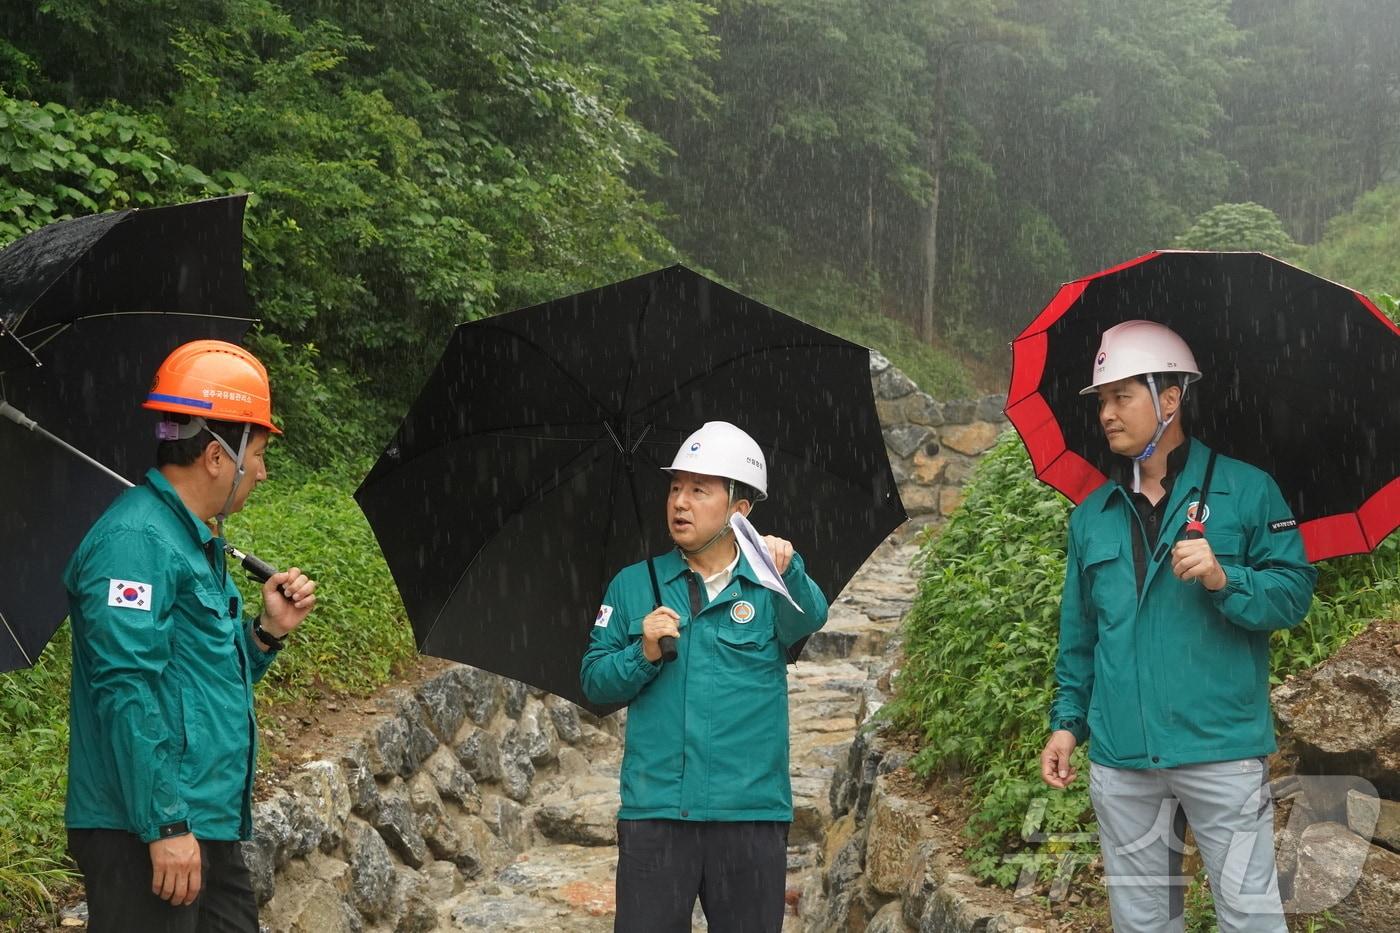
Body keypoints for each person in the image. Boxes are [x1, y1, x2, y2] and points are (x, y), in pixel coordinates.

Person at [1038, 320, 1316, 932]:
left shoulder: (1247, 491)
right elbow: (1080, 636)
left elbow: (1294, 595)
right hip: (1122, 757)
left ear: (1169, 399)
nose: (1107, 414)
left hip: (1220, 750)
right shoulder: (1092, 517)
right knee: (1143, 926)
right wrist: (1067, 723)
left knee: (1250, 920)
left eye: (1122, 397)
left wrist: (1227, 579)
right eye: (1102, 401)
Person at [64, 340, 317, 932]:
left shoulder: (191, 542)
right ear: (214, 455)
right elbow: (127, 688)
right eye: (256, 452)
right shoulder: (134, 543)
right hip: (144, 830)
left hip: (205, 822)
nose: (262, 470)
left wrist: (264, 635)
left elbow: (201, 682)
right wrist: (165, 826)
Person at [580, 421, 830, 932]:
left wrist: (789, 566)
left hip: (750, 816)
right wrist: (642, 653)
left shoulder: (772, 586)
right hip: (656, 815)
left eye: (699, 489)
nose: (680, 502)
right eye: (675, 487)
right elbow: (594, 682)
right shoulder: (633, 585)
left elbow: (811, 617)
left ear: (740, 509)